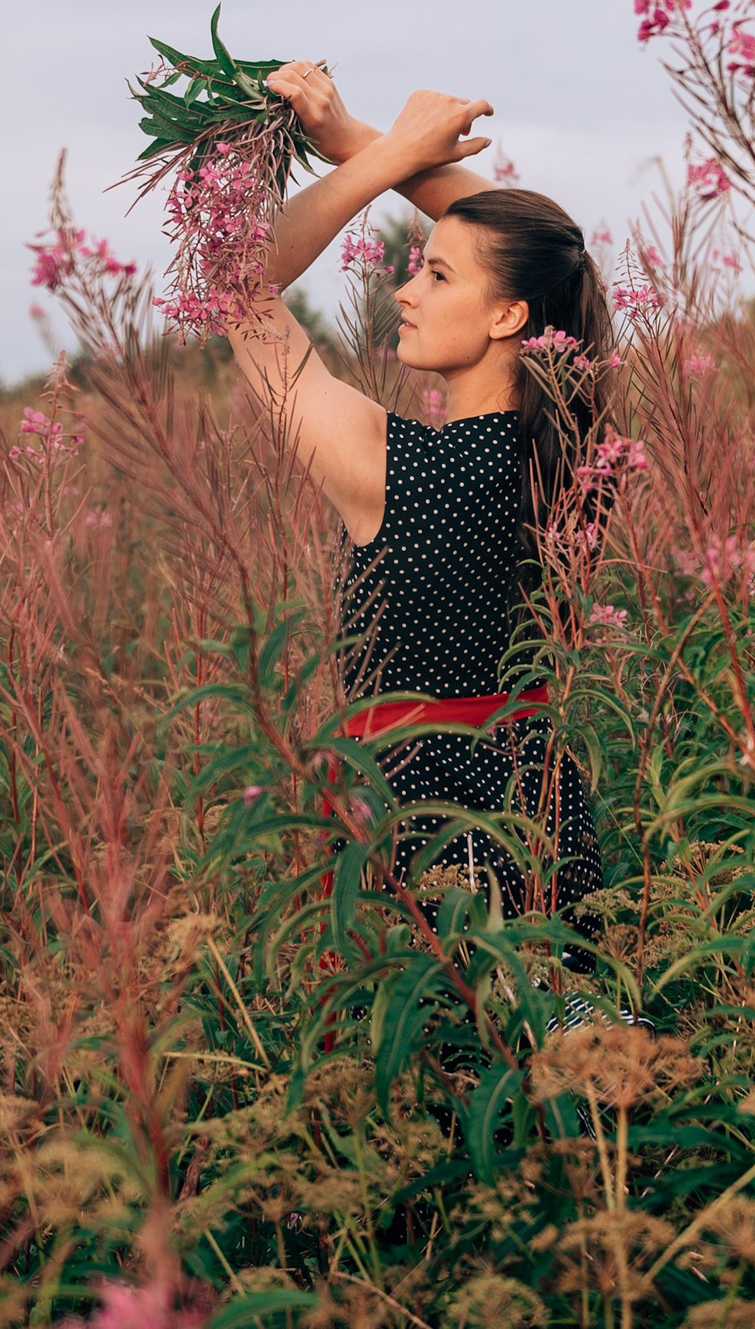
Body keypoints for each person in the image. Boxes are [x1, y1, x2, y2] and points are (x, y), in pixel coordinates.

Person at [222, 59, 608, 933]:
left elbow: (231, 279)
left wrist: (386, 153)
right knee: (567, 1043)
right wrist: (358, 138)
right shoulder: (577, 442)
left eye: (437, 276)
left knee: (466, 1055)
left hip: (432, 846)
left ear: (507, 317)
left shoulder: (398, 469)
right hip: (545, 817)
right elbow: (550, 255)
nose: (405, 287)